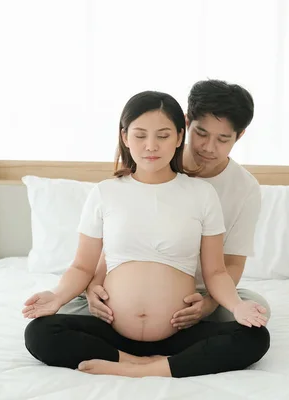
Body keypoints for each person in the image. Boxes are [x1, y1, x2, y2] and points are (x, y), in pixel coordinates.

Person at [23, 90, 270, 378]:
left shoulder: (203, 194)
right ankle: (132, 361)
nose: (151, 146)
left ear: (178, 137)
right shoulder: (105, 192)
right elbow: (83, 265)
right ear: (125, 137)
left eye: (162, 136)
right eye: (140, 135)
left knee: (256, 336)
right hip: (113, 324)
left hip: (180, 325)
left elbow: (217, 271)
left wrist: (235, 306)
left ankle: (149, 368)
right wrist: (56, 296)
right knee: (39, 332)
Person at [75, 79, 271, 330]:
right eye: (201, 133)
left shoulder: (245, 188)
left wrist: (209, 304)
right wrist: (94, 285)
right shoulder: (150, 163)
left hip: (202, 294)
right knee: (57, 313)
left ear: (239, 135)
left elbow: (231, 263)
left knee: (256, 312)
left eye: (223, 139)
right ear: (186, 124)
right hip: (123, 294)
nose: (208, 148)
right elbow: (119, 242)